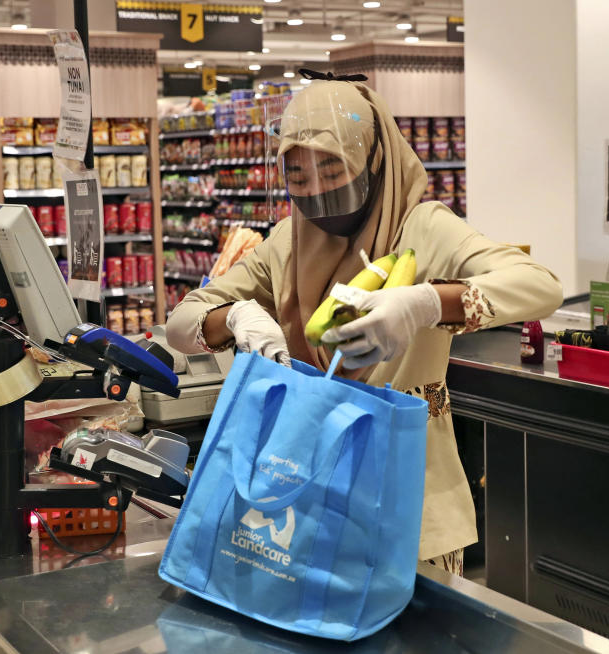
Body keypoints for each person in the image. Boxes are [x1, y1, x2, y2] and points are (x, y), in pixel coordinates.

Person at [165, 78, 563, 574]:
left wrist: (425, 302)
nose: (315, 192)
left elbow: (541, 285)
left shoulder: (423, 228)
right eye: (298, 175)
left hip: (409, 505)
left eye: (332, 169)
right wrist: (236, 316)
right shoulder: (287, 243)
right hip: (302, 500)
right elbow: (181, 322)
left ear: (375, 159)